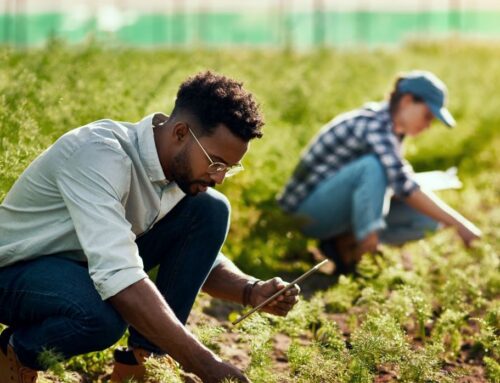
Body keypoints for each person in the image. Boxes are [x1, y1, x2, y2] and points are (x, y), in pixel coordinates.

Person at [0, 71, 300, 383]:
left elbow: (191, 259)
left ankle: (145, 363)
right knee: (101, 316)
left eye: (228, 168)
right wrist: (205, 364)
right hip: (15, 270)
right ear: (181, 133)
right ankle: (14, 351)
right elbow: (119, 276)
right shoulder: (99, 155)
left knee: (209, 209)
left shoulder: (175, 171)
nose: (219, 178)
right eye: (215, 163)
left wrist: (251, 291)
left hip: (80, 264)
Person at [277, 70, 481, 274]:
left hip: (334, 211)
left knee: (428, 219)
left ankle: (343, 246)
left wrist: (450, 221)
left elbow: (398, 184)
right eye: (427, 116)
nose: (428, 125)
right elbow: (404, 185)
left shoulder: (392, 132)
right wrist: (461, 226)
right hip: (307, 215)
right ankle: (366, 251)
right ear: (407, 101)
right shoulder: (375, 125)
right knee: (372, 166)